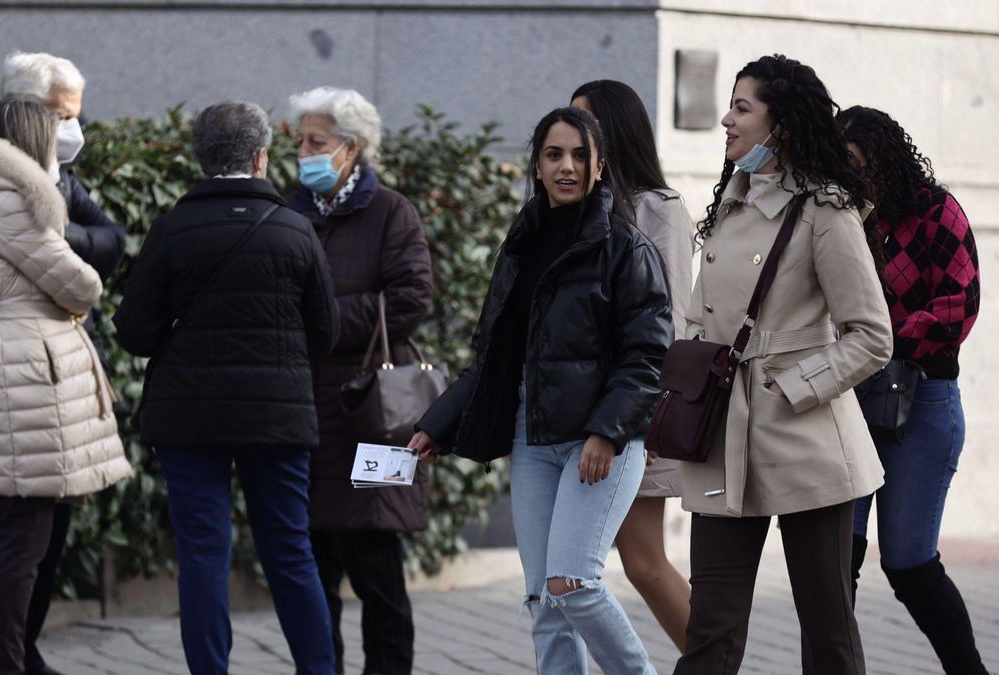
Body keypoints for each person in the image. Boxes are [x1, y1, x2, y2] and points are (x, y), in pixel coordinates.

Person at [410, 106, 673, 675]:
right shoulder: (522, 243)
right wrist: (438, 423)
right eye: (555, 154)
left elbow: (647, 354)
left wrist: (606, 431)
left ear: (601, 167)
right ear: (536, 163)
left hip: (600, 442)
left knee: (572, 582)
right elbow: (494, 354)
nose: (567, 167)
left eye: (580, 156)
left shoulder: (627, 248)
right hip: (533, 437)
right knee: (543, 597)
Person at [673, 54, 893, 675]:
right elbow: (700, 322)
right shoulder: (730, 204)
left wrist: (795, 385)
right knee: (710, 628)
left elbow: (872, 336)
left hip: (806, 437)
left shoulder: (827, 211)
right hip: (721, 432)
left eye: (742, 108)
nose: (726, 119)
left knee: (827, 629)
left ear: (783, 126)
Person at [113, 101, 339, 675]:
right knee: (290, 553)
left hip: (188, 421)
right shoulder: (295, 230)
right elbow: (326, 334)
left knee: (203, 556)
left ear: (200, 157)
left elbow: (134, 332)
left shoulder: (172, 228)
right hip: (278, 418)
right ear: (262, 156)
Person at [0, 99, 133, 675]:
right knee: (22, 542)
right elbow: (81, 284)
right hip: (26, 379)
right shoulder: (12, 205)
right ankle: (2, 665)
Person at [286, 85, 434, 675]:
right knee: (314, 565)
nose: (303, 152)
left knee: (378, 563)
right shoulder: (289, 210)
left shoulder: (391, 211)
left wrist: (320, 320)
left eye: (315, 142)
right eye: (298, 142)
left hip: (377, 417)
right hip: (305, 412)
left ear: (352, 148)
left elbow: (411, 300)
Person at [837, 105, 986, 674]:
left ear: (884, 156)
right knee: (835, 561)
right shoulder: (842, 215)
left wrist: (878, 339)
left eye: (856, 163)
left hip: (921, 400)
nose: (849, 176)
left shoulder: (935, 211)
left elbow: (957, 308)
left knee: (907, 564)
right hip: (848, 397)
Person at [570, 79, 694, 652]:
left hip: (632, 410)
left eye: (585, 125)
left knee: (642, 562)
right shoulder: (576, 208)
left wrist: (625, 412)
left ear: (614, 134)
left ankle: (711, 665)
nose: (572, 137)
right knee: (572, 568)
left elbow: (666, 321)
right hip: (573, 410)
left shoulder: (656, 209)